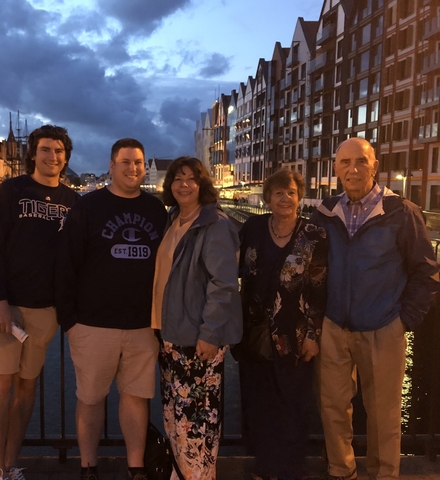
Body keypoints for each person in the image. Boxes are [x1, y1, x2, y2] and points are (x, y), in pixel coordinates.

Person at [311, 137, 439, 480]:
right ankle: (342, 471)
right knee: (333, 408)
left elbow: (426, 272)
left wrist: (403, 321)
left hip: (383, 327)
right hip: (335, 326)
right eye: (344, 163)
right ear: (336, 169)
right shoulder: (325, 212)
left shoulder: (400, 212)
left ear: (374, 166)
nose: (353, 170)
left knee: (383, 414)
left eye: (361, 162)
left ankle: (385, 474)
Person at [56, 138, 167, 480]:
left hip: (141, 325)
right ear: (111, 165)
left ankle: (135, 465)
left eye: (138, 162)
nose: (132, 168)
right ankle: (88, 464)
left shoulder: (155, 209)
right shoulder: (88, 207)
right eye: (125, 162)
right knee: (90, 398)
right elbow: (66, 264)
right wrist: (70, 321)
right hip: (92, 324)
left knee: (136, 398)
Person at [0, 125, 79, 480]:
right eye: (45, 150)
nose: (52, 157)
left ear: (65, 157)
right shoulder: (12, 190)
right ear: (33, 154)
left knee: (26, 386)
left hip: (46, 310)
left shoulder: (72, 201)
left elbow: (77, 257)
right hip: (7, 307)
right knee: (0, 385)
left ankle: (9, 465)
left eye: (58, 151)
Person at [151, 156, 242, 480]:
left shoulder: (215, 225)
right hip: (171, 333)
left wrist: (210, 332)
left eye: (191, 178)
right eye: (177, 178)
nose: (184, 184)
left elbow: (224, 284)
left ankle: (198, 475)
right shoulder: (173, 219)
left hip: (198, 337)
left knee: (198, 415)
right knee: (176, 412)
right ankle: (183, 472)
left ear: (203, 185)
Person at [236, 169, 328, 480]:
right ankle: (264, 467)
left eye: (290, 192)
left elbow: (318, 290)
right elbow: (233, 267)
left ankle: (291, 469)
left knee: (292, 404)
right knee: (258, 402)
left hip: (296, 334)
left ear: (299, 197)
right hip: (253, 334)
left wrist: (314, 336)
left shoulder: (314, 235)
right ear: (268, 199)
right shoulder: (253, 227)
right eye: (278, 193)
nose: (284, 198)